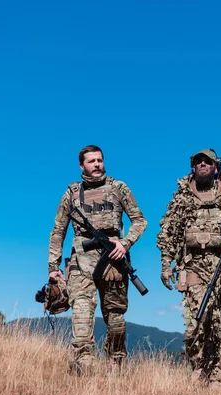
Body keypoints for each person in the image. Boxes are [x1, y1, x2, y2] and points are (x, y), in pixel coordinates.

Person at [157, 148, 221, 387]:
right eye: (198, 162)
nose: (202, 164)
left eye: (207, 162)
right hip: (193, 265)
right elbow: (168, 234)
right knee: (197, 319)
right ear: (193, 167)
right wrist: (165, 264)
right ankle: (199, 367)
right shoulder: (182, 198)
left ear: (216, 167)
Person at [48, 144, 147, 375]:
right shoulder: (71, 194)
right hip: (81, 262)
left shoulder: (118, 188)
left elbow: (140, 221)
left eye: (100, 160)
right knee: (81, 312)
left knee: (115, 319)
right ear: (82, 165)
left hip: (114, 259)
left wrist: (125, 243)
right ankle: (85, 364)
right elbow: (58, 231)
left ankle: (115, 363)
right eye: (91, 161)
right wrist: (53, 267)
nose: (97, 165)